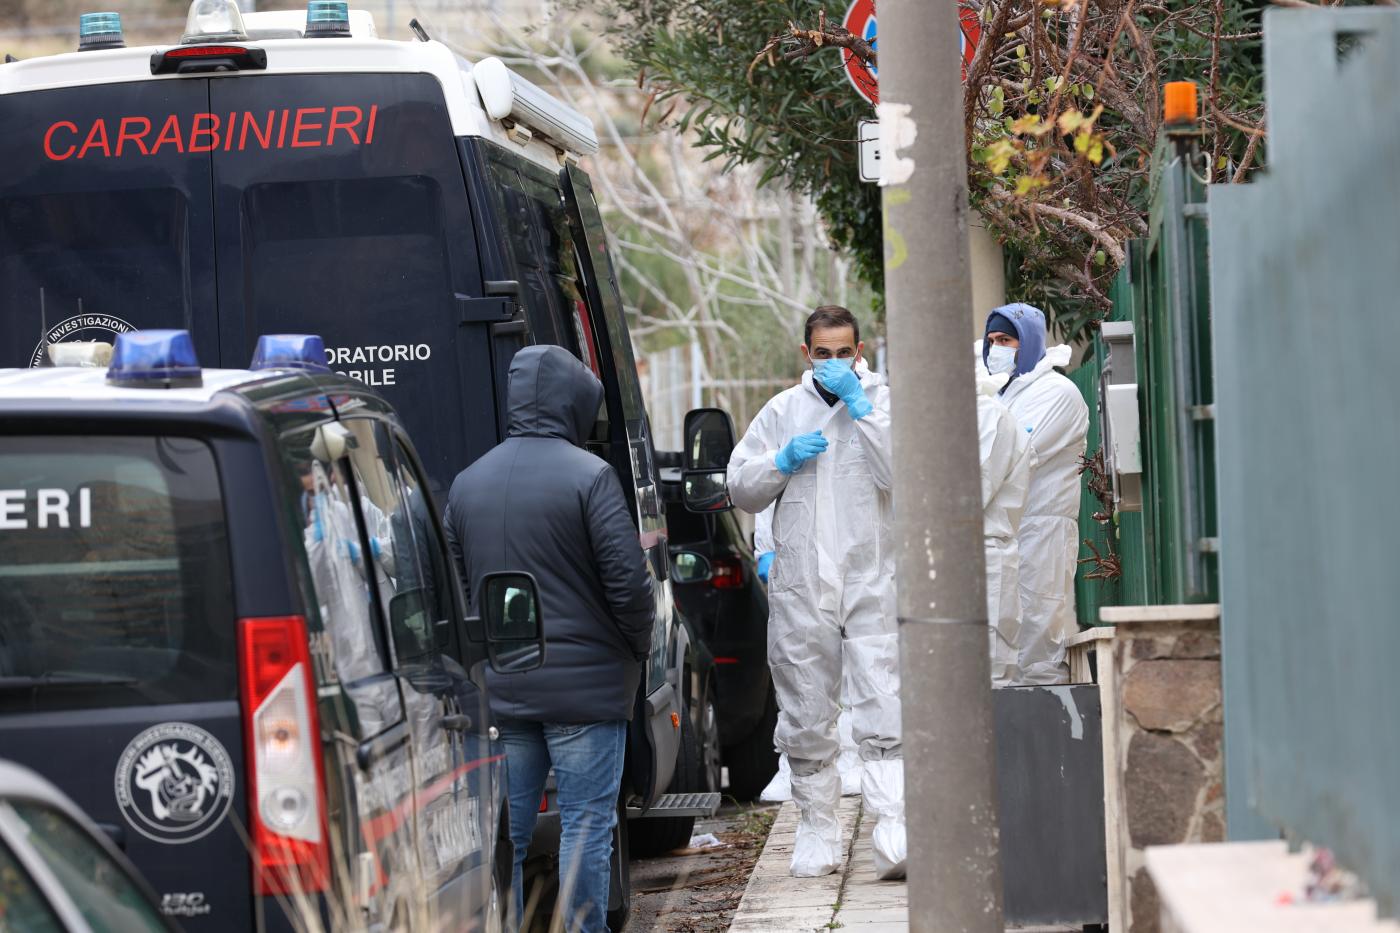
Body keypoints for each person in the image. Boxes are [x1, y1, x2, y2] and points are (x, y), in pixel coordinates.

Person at [444, 345, 653, 933]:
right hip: (586, 691)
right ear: (575, 401)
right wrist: (634, 648)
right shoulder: (590, 476)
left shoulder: (466, 483)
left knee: (502, 830)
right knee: (586, 822)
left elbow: (462, 592)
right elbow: (629, 586)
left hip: (503, 685)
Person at [727, 305, 904, 880]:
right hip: (803, 586)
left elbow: (904, 476)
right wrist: (779, 462)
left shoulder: (882, 402)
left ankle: (895, 829)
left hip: (873, 578)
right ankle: (819, 829)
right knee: (805, 711)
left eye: (843, 352)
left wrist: (862, 408)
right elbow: (741, 486)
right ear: (806, 354)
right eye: (822, 353)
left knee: (886, 704)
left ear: (860, 350)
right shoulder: (782, 411)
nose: (833, 363)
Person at [982, 303, 1089, 685]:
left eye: (1006, 339)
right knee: (1001, 644)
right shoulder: (1000, 394)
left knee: (1037, 643)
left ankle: (1046, 733)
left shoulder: (1057, 393)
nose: (997, 348)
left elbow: (1012, 457)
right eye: (992, 340)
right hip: (1004, 532)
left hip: (1042, 530)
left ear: (1027, 343)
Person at [754, 505, 864, 801]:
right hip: (795, 554)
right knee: (797, 663)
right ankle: (797, 764)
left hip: (850, 549)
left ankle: (852, 755)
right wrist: (765, 547)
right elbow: (756, 475)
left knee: (854, 659)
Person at [975, 356, 1034, 686]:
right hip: (967, 553)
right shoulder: (975, 414)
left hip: (987, 555)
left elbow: (972, 490)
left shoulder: (988, 416)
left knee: (992, 671)